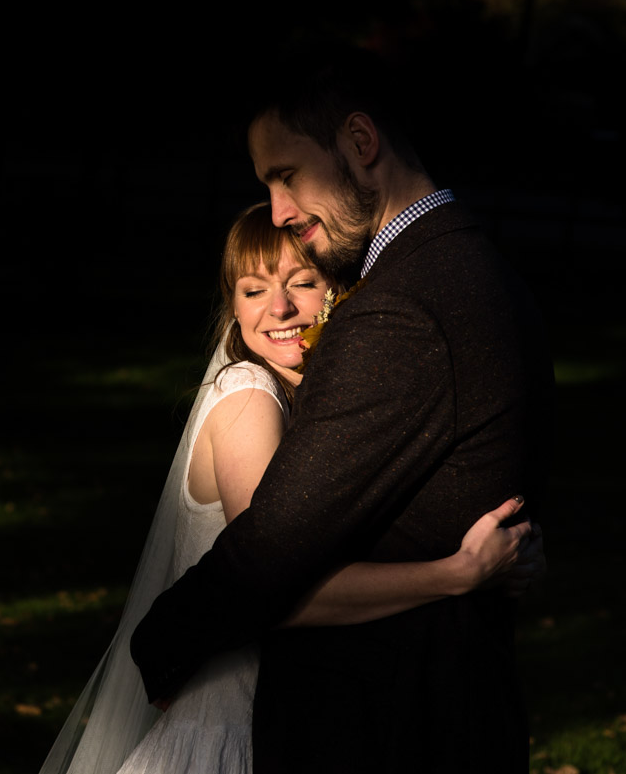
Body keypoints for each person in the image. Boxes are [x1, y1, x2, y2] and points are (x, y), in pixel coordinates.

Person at [130, 43, 556, 773]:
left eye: (287, 176)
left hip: (384, 724)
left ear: (360, 143)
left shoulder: (403, 306)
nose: (279, 211)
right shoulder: (487, 273)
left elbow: (278, 541)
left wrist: (162, 640)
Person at [39, 203, 544, 774]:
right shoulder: (248, 395)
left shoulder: (316, 405)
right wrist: (455, 575)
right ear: (232, 306)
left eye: (302, 283)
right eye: (253, 291)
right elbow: (269, 586)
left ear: (338, 292)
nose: (278, 308)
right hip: (225, 740)